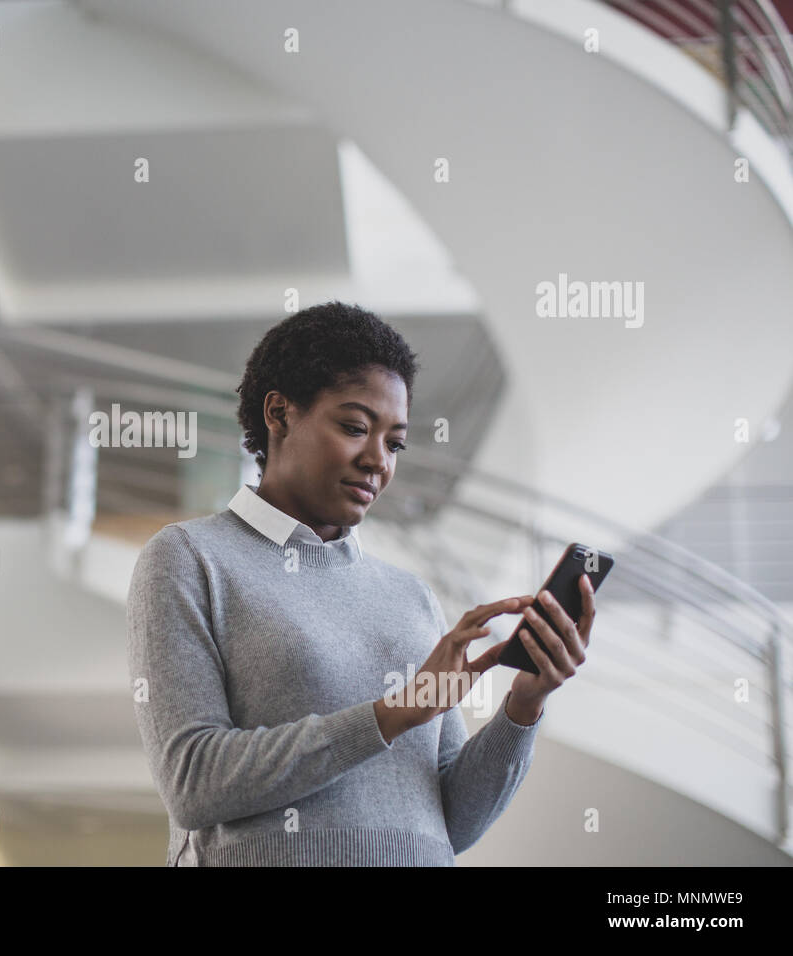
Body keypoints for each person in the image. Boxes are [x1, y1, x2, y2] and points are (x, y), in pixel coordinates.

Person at [125, 301, 596, 866]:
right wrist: (394, 713)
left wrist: (526, 702)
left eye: (394, 443)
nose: (378, 460)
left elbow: (452, 825)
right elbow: (193, 783)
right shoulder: (189, 559)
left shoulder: (411, 596)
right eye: (354, 427)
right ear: (279, 414)